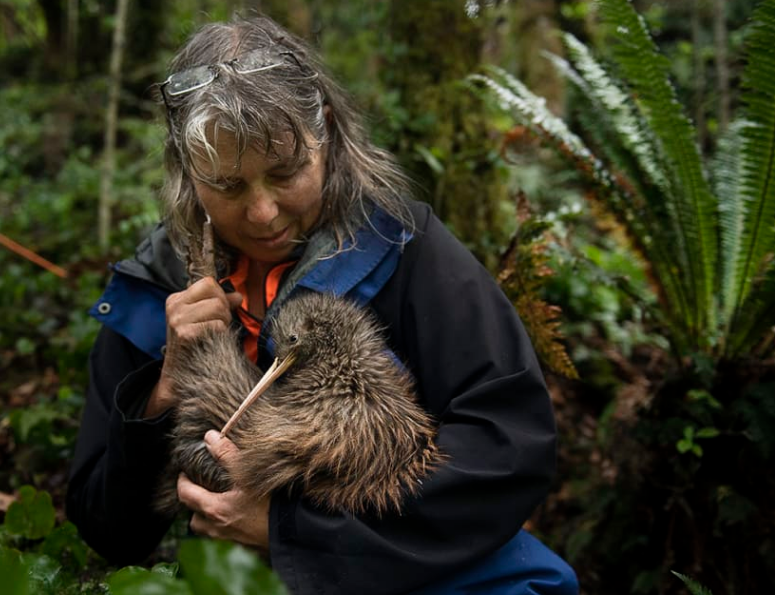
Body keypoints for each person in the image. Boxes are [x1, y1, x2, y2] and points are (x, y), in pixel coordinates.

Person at [66, 15, 578, 595]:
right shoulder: (154, 288)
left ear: (326, 134)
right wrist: (161, 391)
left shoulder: (406, 249)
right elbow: (107, 530)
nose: (263, 213)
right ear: (189, 169)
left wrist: (291, 531)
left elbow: (509, 451)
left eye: (286, 172)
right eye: (229, 186)